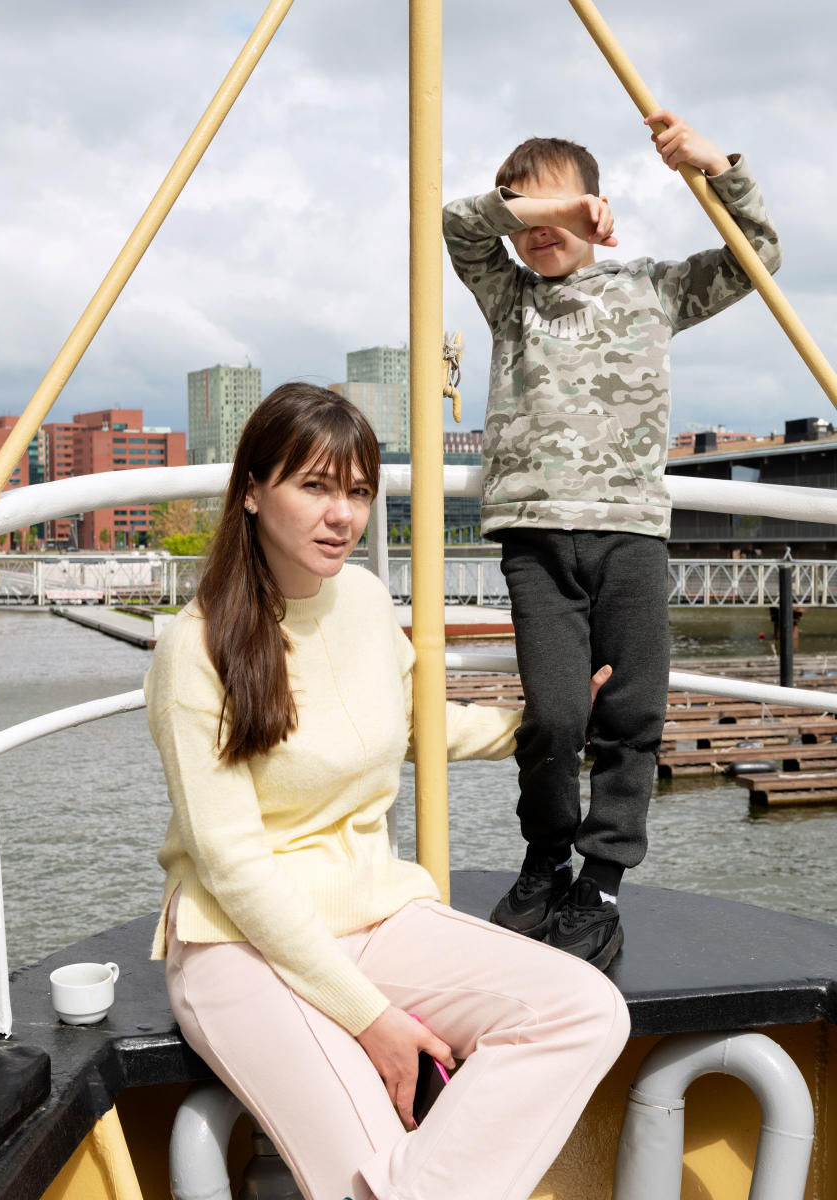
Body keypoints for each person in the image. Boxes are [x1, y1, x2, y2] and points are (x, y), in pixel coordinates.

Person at [145, 382, 630, 1200]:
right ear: (255, 491)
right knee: (365, 1168)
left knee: (586, 1012)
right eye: (315, 486)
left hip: (379, 915)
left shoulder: (367, 603)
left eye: (359, 492)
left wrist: (546, 724)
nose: (342, 515)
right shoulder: (195, 651)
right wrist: (371, 1019)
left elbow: (415, 729)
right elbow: (233, 867)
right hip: (240, 945)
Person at [442, 111, 781, 969]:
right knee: (554, 715)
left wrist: (715, 165)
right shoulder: (507, 296)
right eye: (521, 211)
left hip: (630, 533)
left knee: (631, 716)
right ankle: (544, 858)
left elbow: (760, 255)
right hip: (536, 539)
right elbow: (454, 223)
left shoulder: (650, 289)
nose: (538, 226)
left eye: (557, 206)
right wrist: (533, 212)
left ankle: (600, 882)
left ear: (598, 203)